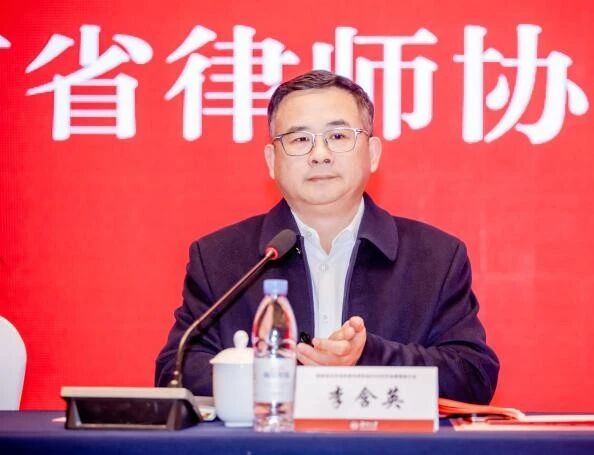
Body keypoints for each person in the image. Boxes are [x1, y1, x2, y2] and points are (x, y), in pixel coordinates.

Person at [155, 70, 499, 403]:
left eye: (338, 136)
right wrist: (287, 376)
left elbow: (474, 375)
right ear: (272, 161)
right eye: (300, 139)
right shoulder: (220, 258)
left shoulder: (435, 258)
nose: (319, 155)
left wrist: (368, 356)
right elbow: (176, 371)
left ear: (373, 153)